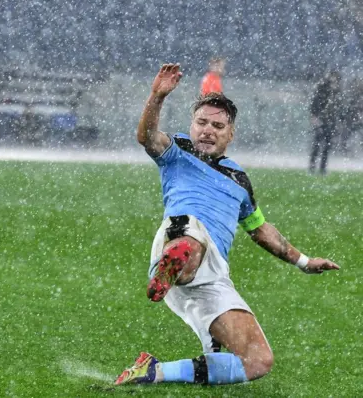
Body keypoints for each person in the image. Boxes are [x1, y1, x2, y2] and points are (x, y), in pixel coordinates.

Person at [115, 64, 340, 387]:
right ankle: (176, 262)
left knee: (257, 361)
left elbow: (260, 229)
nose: (207, 130)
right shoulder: (177, 151)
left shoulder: (240, 180)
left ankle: (153, 371)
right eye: (201, 122)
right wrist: (157, 97)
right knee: (190, 236)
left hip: (213, 273)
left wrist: (304, 262)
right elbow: (146, 136)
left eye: (217, 125)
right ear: (191, 126)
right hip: (181, 234)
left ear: (230, 133)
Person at [308, 70, 341, 174]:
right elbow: (315, 101)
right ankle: (312, 166)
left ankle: (322, 168)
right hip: (321, 118)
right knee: (317, 143)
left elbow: (338, 106)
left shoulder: (336, 90)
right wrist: (314, 115)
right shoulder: (322, 87)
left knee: (327, 145)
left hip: (330, 120)